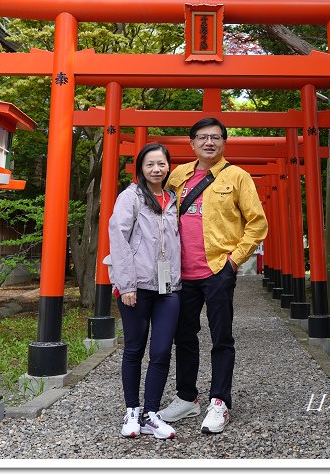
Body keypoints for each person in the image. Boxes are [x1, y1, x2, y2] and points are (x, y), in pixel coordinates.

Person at [159, 118, 268, 434]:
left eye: (216, 137)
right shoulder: (177, 175)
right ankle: (186, 397)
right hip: (181, 272)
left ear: (224, 142)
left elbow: (257, 223)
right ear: (191, 142)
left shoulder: (237, 177)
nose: (209, 142)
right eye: (202, 137)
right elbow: (155, 207)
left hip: (218, 269)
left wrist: (233, 263)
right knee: (184, 335)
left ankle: (219, 401)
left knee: (221, 336)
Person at [108, 143, 181, 439]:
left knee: (162, 350)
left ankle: (152, 413)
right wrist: (125, 284)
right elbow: (118, 237)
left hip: (170, 287)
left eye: (161, 164)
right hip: (136, 286)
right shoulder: (131, 197)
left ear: (168, 167)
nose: (156, 169)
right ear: (141, 168)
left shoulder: (174, 198)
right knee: (135, 349)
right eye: (150, 164)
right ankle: (132, 410)